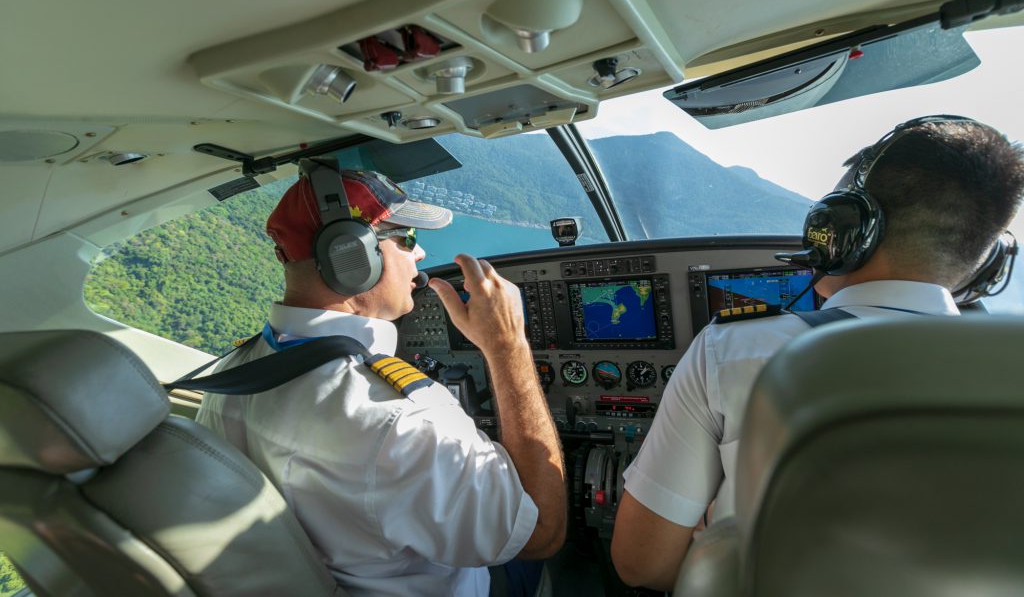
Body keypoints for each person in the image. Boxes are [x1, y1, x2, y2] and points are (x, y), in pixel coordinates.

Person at [610, 116, 1024, 590]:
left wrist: (711, 537)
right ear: (986, 262)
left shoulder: (733, 350)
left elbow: (643, 564)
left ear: (845, 230)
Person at [196, 162, 566, 597]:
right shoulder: (402, 420)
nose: (421, 255)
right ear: (351, 257)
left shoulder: (232, 373)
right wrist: (507, 349)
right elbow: (540, 533)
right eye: (408, 239)